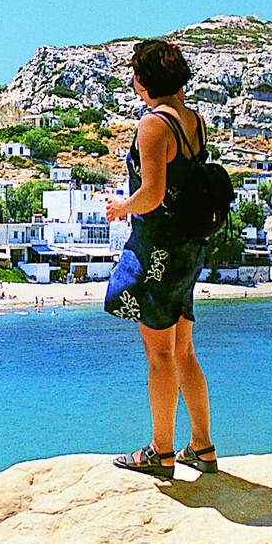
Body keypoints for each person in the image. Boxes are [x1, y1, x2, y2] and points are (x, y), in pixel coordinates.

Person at [105, 37, 218, 479]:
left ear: (141, 81)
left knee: (160, 355)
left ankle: (161, 451)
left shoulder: (153, 125)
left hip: (159, 253)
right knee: (185, 350)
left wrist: (120, 207)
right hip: (189, 248)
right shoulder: (194, 121)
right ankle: (202, 447)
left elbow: (151, 195)